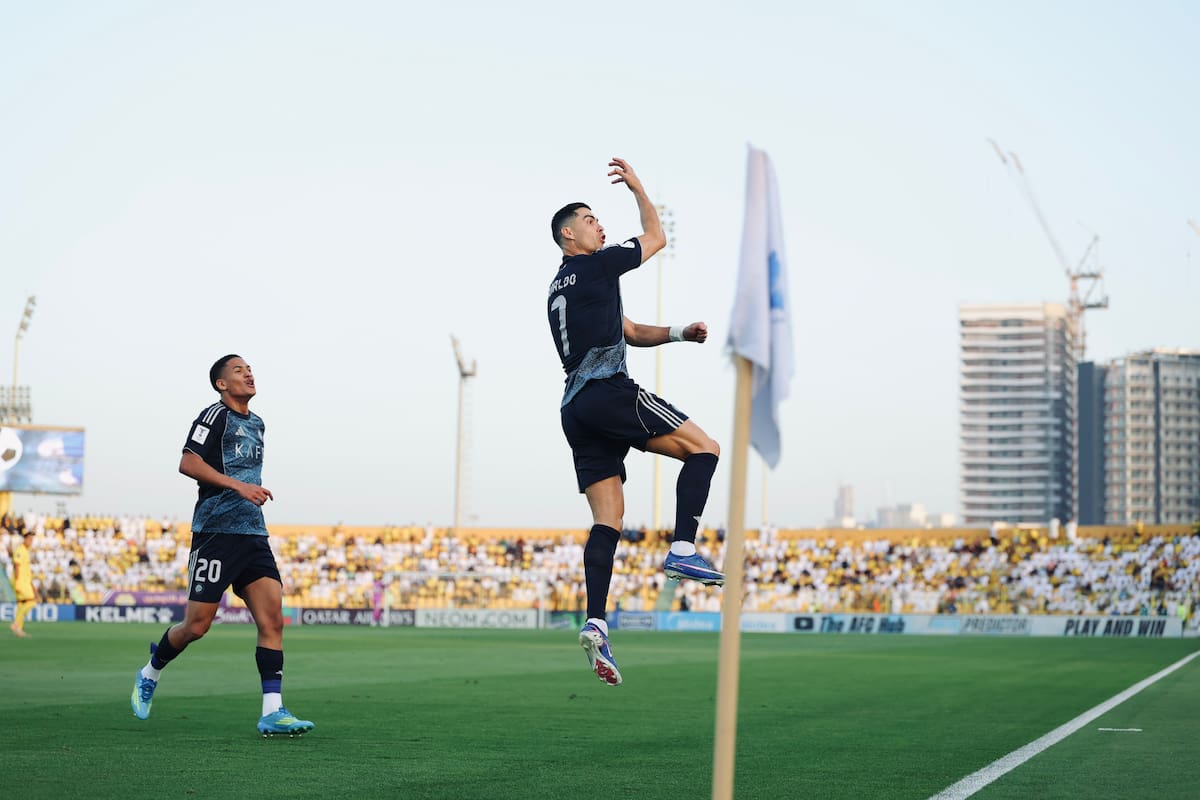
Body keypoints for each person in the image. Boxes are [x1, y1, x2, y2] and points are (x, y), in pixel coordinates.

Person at [547, 157, 722, 686]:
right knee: (705, 448)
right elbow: (655, 235)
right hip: (606, 392)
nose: (599, 224)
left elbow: (625, 329)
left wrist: (676, 333)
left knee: (608, 522)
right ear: (568, 235)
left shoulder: (561, 287)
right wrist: (639, 186)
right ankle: (684, 549)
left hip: (574, 409)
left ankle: (596, 621)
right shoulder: (598, 266)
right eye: (590, 219)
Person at [130, 354, 313, 737]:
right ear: (221, 384)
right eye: (238, 370)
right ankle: (150, 671)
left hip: (253, 534)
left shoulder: (258, 423)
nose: (248, 373)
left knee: (273, 620)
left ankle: (272, 711)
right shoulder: (213, 416)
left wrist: (249, 494)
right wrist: (239, 487)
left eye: (249, 368)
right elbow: (188, 462)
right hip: (215, 533)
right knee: (197, 626)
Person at [9, 530, 38, 638]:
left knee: (22, 604)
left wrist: (32, 585)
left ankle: (18, 630)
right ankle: (16, 624)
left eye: (32, 539)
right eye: (29, 539)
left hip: (25, 581)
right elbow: (16, 566)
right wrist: (17, 583)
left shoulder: (26, 551)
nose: (31, 541)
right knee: (32, 601)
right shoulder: (20, 550)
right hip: (20, 581)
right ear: (24, 539)